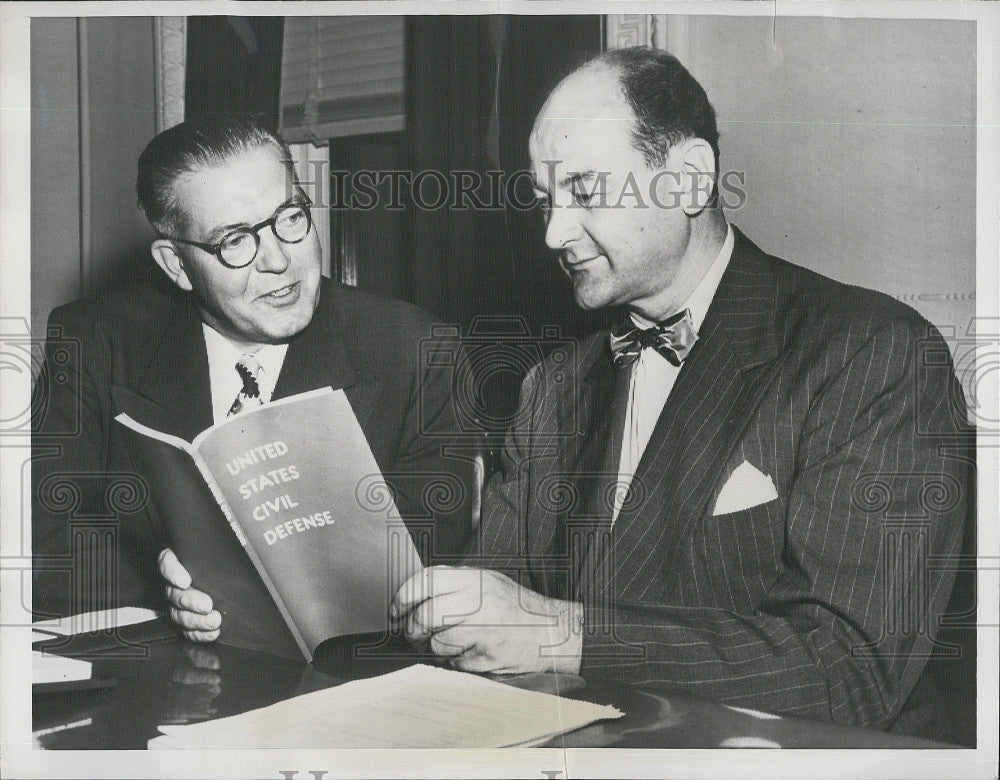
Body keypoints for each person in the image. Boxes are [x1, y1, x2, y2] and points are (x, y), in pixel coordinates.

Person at [389, 48, 971, 732]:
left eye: (585, 191)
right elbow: (494, 625)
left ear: (689, 180)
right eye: (547, 201)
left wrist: (565, 634)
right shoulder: (551, 387)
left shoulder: (871, 352)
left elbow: (849, 671)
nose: (554, 232)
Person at [32, 116, 473, 635]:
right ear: (176, 264)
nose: (280, 260)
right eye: (236, 241)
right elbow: (40, 543)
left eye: (289, 217)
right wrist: (171, 586)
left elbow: (426, 564)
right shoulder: (94, 341)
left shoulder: (415, 349)